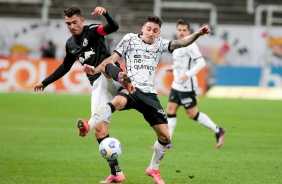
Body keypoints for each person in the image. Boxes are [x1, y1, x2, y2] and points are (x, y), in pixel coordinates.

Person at [77, 15, 210, 184]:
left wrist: (198, 34)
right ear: (143, 28)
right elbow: (111, 60)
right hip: (131, 87)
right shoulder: (129, 39)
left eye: (155, 30)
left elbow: (180, 43)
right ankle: (89, 124)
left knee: (165, 136)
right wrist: (96, 70)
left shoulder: (160, 43)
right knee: (117, 99)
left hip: (148, 94)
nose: (151, 33)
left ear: (159, 32)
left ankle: (153, 169)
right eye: (148, 29)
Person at [33, 6, 126, 183]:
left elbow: (113, 27)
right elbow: (65, 67)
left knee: (106, 67)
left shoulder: (93, 30)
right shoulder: (70, 44)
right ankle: (116, 172)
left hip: (106, 77)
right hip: (99, 87)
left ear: (81, 21)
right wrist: (45, 82)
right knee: (100, 132)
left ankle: (125, 82)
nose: (72, 26)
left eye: (75, 22)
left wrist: (105, 13)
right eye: (68, 23)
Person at [165, 19, 225, 149]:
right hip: (176, 85)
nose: (181, 33)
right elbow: (182, 63)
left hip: (187, 86)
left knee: (192, 114)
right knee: (170, 110)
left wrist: (188, 74)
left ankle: (218, 130)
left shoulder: (191, 45)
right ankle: (167, 140)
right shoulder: (176, 45)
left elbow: (201, 63)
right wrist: (174, 68)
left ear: (189, 31)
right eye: (179, 30)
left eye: (184, 30)